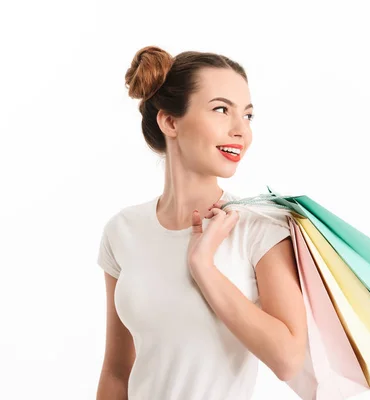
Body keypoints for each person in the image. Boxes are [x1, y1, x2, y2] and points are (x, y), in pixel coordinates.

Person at [95, 45, 307, 400]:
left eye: (248, 115)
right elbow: (117, 372)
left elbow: (288, 360)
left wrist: (203, 267)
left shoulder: (260, 227)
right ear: (170, 121)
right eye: (222, 110)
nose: (242, 130)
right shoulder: (123, 231)